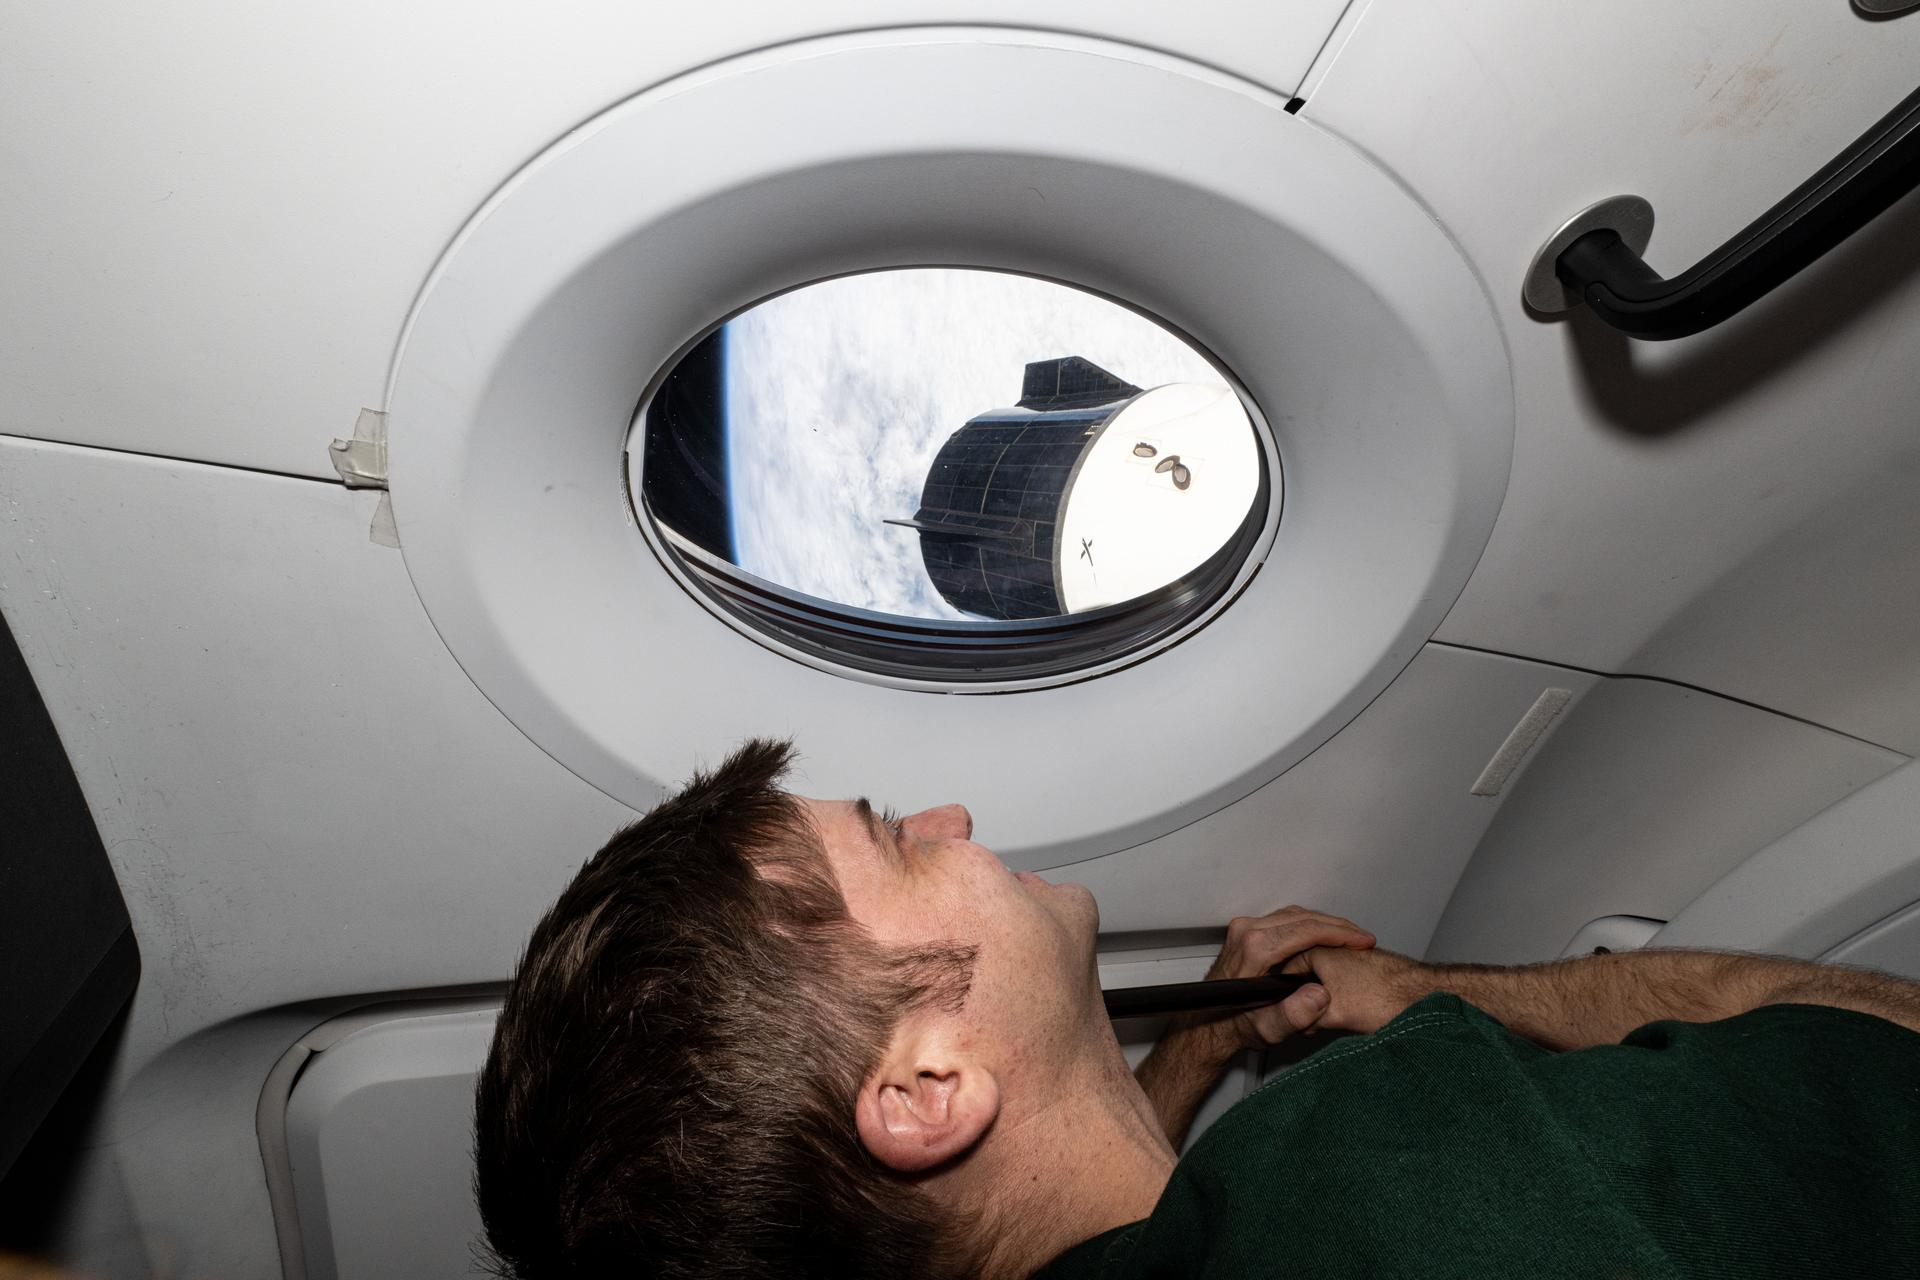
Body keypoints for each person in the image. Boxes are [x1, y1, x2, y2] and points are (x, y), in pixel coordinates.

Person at [473, 740, 1920, 1279]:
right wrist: (1446, 994)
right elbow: (1880, 1039)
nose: (954, 810)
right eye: (897, 838)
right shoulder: (1397, 1165)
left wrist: (1195, 1049)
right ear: (920, 1090)